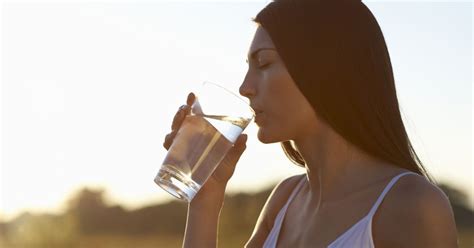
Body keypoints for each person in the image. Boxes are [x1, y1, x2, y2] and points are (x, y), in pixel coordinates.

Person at [163, 0, 458, 247]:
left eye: (263, 63)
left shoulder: (412, 206)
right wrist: (206, 196)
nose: (244, 87)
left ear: (323, 67)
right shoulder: (284, 202)